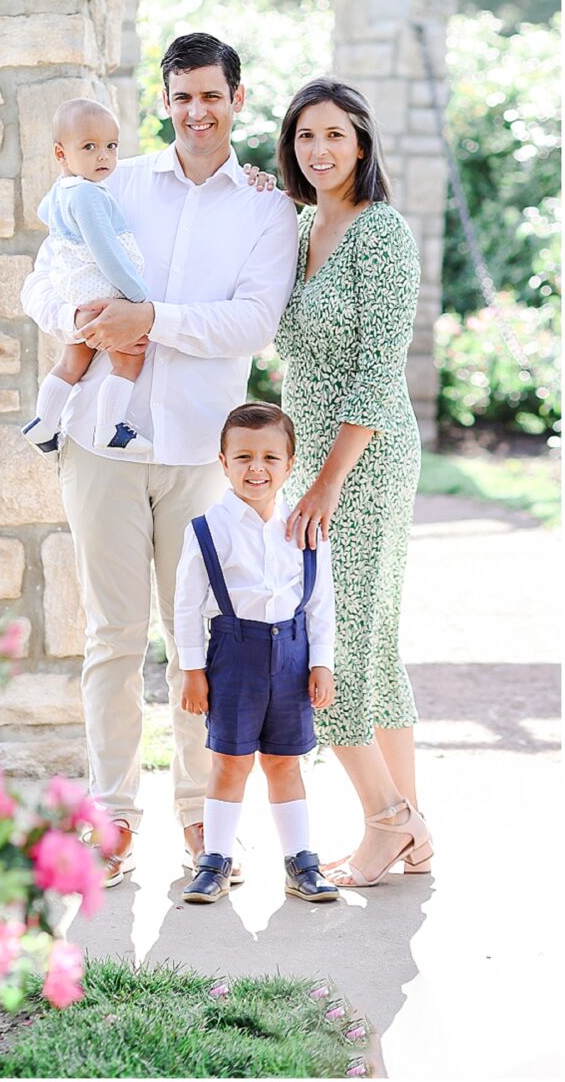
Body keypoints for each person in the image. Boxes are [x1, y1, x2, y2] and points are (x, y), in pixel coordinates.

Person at [21, 32, 298, 884]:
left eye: (210, 95)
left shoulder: (264, 208)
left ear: (236, 99)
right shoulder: (115, 180)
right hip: (101, 442)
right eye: (181, 97)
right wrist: (75, 315)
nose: (195, 111)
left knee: (205, 641)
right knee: (109, 634)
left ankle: (197, 820)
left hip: (200, 455)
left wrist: (151, 322)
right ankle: (109, 816)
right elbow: (43, 278)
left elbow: (252, 322)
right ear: (165, 101)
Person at [274, 77, 433, 887]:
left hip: (359, 464)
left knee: (326, 655)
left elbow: (376, 376)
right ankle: (415, 829)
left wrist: (325, 484)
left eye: (334, 135)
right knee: (372, 643)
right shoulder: (301, 226)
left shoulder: (383, 236)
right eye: (305, 137)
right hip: (310, 460)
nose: (320, 150)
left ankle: (384, 821)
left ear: (361, 145)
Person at [175, 402, 338, 904]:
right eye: (243, 456)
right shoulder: (207, 529)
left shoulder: (304, 528)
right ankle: (216, 860)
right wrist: (192, 672)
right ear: (223, 462)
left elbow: (320, 604)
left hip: (292, 655)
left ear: (290, 464)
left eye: (270, 457)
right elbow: (185, 607)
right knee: (230, 761)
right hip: (233, 652)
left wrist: (321, 664)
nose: (257, 468)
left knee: (285, 763)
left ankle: (301, 861)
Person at [22, 99, 153, 459]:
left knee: (72, 363)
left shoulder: (62, 191)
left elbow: (43, 213)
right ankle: (109, 428)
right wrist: (137, 298)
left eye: (111, 146)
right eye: (89, 147)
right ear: (61, 153)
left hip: (78, 293)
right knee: (129, 359)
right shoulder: (87, 195)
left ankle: (44, 422)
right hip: (103, 292)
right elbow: (106, 252)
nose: (103, 157)